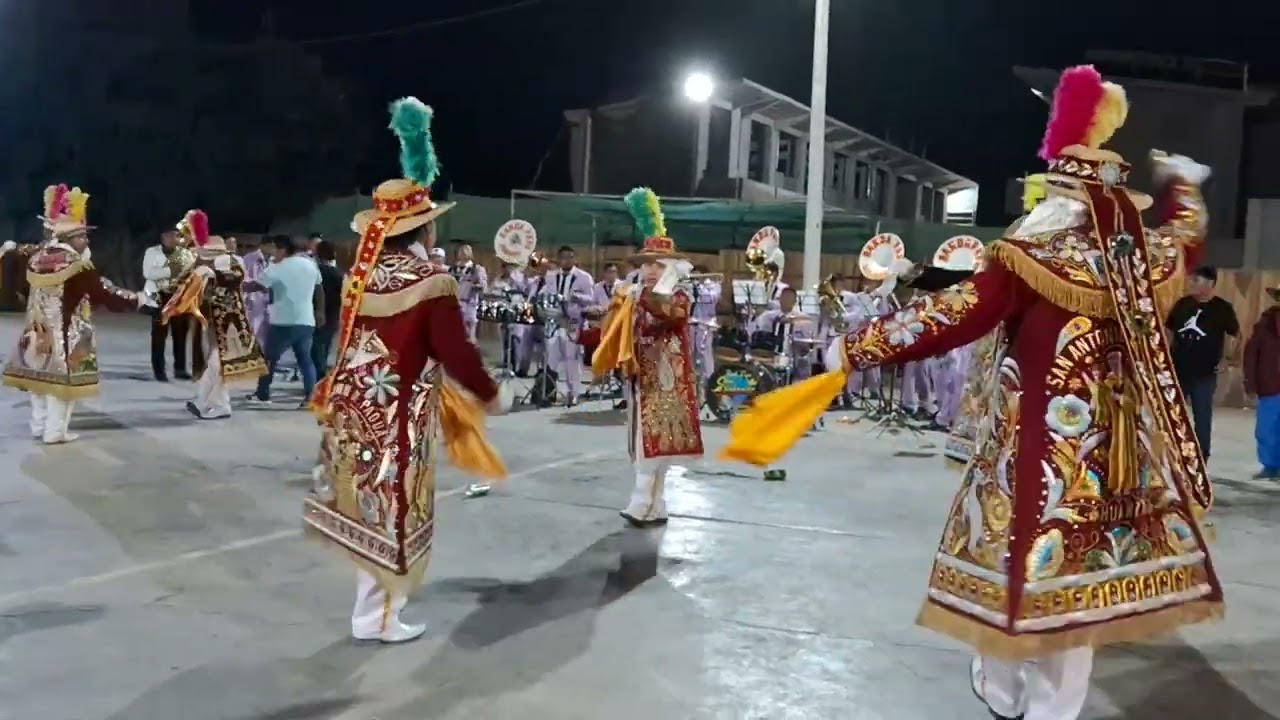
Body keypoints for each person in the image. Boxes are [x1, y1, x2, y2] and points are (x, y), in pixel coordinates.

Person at [725, 66, 1222, 720]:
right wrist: (1183, 183)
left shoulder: (1031, 257)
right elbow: (1186, 236)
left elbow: (949, 313)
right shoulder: (1145, 260)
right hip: (1111, 464)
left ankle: (1003, 698)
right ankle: (1048, 711)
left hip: (1034, 460)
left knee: (1011, 581)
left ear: (1057, 196)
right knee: (1076, 598)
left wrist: (854, 347)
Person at [305, 97, 503, 644]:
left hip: (354, 403)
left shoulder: (359, 277)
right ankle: (379, 618)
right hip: (399, 412)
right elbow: (454, 349)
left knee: (365, 500)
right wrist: (485, 391)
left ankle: (368, 611)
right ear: (424, 233)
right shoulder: (431, 281)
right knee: (393, 509)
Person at [2, 185, 152, 443]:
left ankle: (39, 426)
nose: (87, 240)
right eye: (82, 236)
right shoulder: (75, 265)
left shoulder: (38, 258)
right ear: (69, 238)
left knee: (39, 383)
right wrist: (138, 299)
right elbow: (105, 294)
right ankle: (55, 431)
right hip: (65, 334)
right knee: (63, 388)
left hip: (36, 333)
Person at [594, 188, 703, 527]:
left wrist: (655, 291)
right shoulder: (636, 293)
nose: (650, 270)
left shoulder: (678, 293)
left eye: (657, 265)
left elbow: (671, 314)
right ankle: (656, 504)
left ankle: (643, 502)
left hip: (668, 378)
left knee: (653, 442)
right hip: (642, 374)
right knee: (645, 440)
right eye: (645, 265)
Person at [160, 221, 268, 420]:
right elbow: (187, 286)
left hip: (232, 325)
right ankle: (217, 404)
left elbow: (234, 279)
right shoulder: (206, 269)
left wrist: (212, 272)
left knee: (217, 364)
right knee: (216, 365)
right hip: (215, 324)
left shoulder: (232, 265)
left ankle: (206, 402)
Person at [1165, 266, 1239, 461]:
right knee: (1171, 414)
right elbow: (1168, 330)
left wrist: (1226, 358)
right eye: (1192, 280)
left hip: (1205, 373)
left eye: (1196, 281)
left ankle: (1200, 458)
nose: (1191, 284)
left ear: (1210, 284)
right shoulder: (1182, 305)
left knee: (1202, 417)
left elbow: (1234, 335)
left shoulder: (1223, 308)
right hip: (1177, 370)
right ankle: (1172, 455)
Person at [244, 236, 323, 407]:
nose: (272, 253)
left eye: (274, 249)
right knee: (305, 359)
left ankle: (263, 393)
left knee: (269, 359)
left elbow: (258, 286)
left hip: (282, 322)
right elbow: (318, 288)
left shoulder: (277, 268)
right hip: (306, 320)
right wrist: (320, 311)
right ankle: (311, 396)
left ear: (282, 249)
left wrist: (236, 283)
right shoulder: (309, 264)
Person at [537, 245, 594, 406]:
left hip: (572, 322)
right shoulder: (551, 276)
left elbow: (590, 299)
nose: (567, 260)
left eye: (570, 257)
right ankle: (550, 392)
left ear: (575, 259)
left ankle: (573, 393)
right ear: (559, 259)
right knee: (552, 358)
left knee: (572, 359)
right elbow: (544, 293)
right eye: (563, 257)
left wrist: (576, 297)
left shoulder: (584, 277)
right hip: (554, 321)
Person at [142, 227, 198, 381]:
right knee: (159, 335)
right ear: (162, 237)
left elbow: (191, 273)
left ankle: (180, 368)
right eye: (168, 235)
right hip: (160, 297)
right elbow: (148, 273)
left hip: (180, 297)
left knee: (181, 333)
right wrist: (170, 270)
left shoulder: (186, 253)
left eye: (175, 236)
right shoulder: (152, 252)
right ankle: (159, 369)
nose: (172, 238)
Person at [1243, 285, 1280, 479]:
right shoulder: (1264, 325)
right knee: (1266, 430)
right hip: (1270, 385)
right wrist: (1250, 385)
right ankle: (1270, 466)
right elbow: (1251, 355)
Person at [312, 240, 343, 378]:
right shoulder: (338, 274)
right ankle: (320, 377)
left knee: (315, 348)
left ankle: (319, 378)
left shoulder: (313, 272)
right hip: (333, 315)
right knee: (325, 347)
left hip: (315, 313)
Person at [452, 243, 488, 343]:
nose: (463, 253)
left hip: (469, 303)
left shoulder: (477, 269)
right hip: (454, 304)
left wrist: (476, 285)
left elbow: (484, 287)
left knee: (469, 335)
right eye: (461, 251)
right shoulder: (452, 269)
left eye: (466, 251)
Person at [240, 237, 271, 345]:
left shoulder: (271, 259)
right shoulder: (249, 258)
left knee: (265, 333)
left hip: (267, 301)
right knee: (254, 329)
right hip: (254, 299)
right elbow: (244, 278)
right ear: (265, 245)